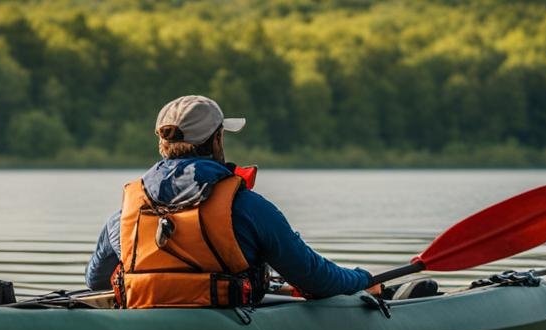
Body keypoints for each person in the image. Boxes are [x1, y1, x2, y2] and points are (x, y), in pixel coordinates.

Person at [86, 95, 372, 308]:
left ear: (163, 144)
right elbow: (314, 279)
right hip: (226, 325)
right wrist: (361, 278)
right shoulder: (248, 208)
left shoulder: (124, 215)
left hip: (143, 321)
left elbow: (96, 282)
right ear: (217, 140)